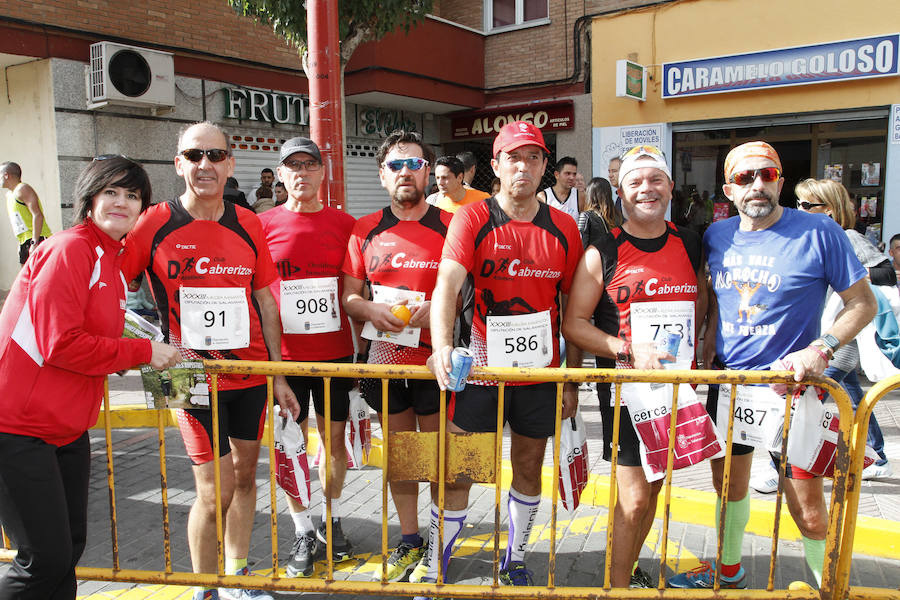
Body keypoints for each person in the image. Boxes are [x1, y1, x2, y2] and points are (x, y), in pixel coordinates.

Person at [667, 141, 876, 590]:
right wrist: (704, 352)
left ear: (780, 179)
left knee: (808, 509)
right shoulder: (716, 236)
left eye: (767, 174)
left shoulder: (819, 232)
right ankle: (728, 572)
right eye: (744, 178)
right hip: (732, 384)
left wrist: (821, 347)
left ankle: (827, 588)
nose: (757, 185)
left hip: (794, 388)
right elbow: (715, 304)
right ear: (728, 188)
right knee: (728, 490)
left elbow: (863, 303)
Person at [122, 121, 300, 600]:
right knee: (211, 490)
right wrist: (139, 346)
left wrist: (279, 374)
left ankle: (236, 579)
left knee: (244, 480)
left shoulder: (249, 223)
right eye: (195, 155)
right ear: (179, 163)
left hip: (249, 372)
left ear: (230, 164)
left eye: (216, 155)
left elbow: (265, 301)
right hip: (182, 374)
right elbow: (115, 291)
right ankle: (205, 587)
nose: (206, 165)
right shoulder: (153, 222)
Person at [0, 156, 180, 599]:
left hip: (67, 428)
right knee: (41, 562)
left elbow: (93, 340)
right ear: (90, 198)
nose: (122, 202)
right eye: (111, 192)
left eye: (132, 195)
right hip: (19, 428)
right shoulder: (69, 248)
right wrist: (143, 351)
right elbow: (58, 343)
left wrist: (139, 347)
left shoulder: (113, 260)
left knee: (67, 552)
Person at [427, 121, 583, 591]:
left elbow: (573, 308)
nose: (524, 166)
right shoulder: (472, 219)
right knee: (461, 472)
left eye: (533, 157)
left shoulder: (564, 228)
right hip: (482, 373)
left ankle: (514, 558)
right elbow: (447, 287)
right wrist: (439, 349)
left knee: (531, 467)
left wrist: (571, 381)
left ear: (544, 167)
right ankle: (438, 560)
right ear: (495, 166)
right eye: (513, 157)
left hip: (539, 376)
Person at [562, 145, 707, 589]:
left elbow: (702, 302)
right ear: (621, 193)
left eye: (655, 180)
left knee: (657, 486)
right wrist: (626, 350)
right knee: (635, 495)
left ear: (670, 186)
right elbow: (574, 324)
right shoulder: (602, 250)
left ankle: (624, 571)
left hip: (678, 387)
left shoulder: (693, 241)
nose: (647, 189)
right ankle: (616, 588)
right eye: (635, 182)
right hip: (627, 390)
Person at [341, 130, 452, 583]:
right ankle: (410, 541)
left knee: (439, 458)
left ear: (428, 172)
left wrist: (439, 310)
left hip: (435, 364)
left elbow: (471, 292)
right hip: (386, 363)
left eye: (414, 164)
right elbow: (349, 297)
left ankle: (440, 544)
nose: (405, 172)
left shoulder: (452, 227)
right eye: (395, 165)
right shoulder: (364, 229)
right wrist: (369, 309)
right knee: (403, 458)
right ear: (383, 175)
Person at [258, 137, 358, 577]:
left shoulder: (346, 225)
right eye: (292, 166)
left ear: (323, 172)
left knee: (333, 445)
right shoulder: (261, 226)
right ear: (280, 175)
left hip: (336, 356)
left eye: (309, 164)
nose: (301, 172)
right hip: (287, 362)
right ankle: (302, 527)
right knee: (291, 448)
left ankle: (331, 523)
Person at [794, 178, 891, 480]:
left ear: (831, 210)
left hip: (842, 337)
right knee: (852, 396)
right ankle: (879, 454)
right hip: (827, 331)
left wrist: (849, 277)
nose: (799, 210)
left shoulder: (847, 236)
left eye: (807, 205)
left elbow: (887, 272)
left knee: (805, 396)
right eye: (797, 203)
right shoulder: (813, 236)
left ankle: (782, 465)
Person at [2, 161, 52, 265]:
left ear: (6, 175)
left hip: (38, 239)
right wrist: (20, 244)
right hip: (24, 242)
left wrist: (35, 242)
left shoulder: (22, 189)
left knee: (41, 277)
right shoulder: (9, 195)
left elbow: (37, 215)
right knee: (27, 279)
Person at [577, 177, 622, 249]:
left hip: (594, 258)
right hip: (614, 258)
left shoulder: (586, 216)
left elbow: (581, 246)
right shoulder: (618, 216)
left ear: (590, 195)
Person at [537, 156, 584, 221]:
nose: (572, 177)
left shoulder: (579, 196)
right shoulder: (543, 196)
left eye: (574, 174)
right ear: (556, 175)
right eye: (568, 173)